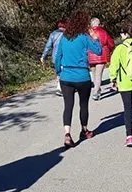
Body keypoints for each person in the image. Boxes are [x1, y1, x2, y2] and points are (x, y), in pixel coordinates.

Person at [54, 11, 103, 148]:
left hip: (66, 76)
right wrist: (94, 37)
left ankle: (67, 134)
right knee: (83, 104)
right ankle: (84, 130)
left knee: (68, 106)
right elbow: (98, 51)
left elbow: (58, 57)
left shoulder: (64, 38)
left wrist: (58, 71)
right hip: (82, 76)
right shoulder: (84, 37)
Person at [87, 17, 115, 101]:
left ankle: (97, 89)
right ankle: (96, 92)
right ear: (98, 24)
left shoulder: (88, 33)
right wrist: (110, 50)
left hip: (90, 55)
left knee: (94, 74)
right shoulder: (103, 32)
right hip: (102, 55)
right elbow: (110, 43)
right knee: (99, 75)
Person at [41, 19, 67, 96]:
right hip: (64, 56)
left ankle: (60, 87)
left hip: (55, 56)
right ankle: (61, 87)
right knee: (64, 71)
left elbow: (48, 46)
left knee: (58, 72)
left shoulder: (53, 34)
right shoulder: (67, 34)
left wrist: (43, 56)